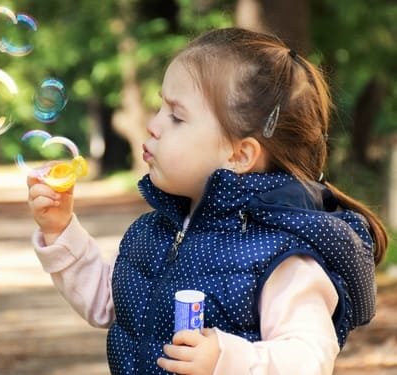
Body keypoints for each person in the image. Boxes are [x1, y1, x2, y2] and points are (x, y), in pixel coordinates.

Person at [26, 27, 388, 375]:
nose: (154, 125)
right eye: (159, 108)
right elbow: (111, 303)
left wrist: (226, 359)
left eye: (177, 116)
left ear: (239, 154)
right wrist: (61, 231)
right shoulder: (156, 231)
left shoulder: (280, 254)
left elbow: (309, 356)